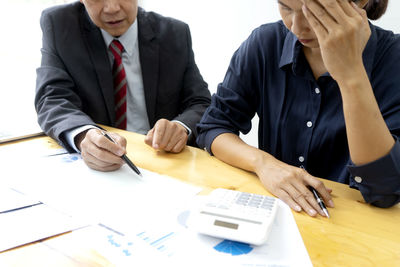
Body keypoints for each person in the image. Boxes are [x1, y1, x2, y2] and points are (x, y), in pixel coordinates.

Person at [197, 0, 400, 217]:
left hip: (359, 230)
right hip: (275, 215)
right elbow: (213, 127)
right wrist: (264, 164)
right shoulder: (266, 43)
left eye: (313, 12)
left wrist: (351, 76)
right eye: (285, 7)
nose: (296, 27)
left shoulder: (393, 59)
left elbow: (384, 191)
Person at [35, 0, 211, 172]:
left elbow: (201, 102)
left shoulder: (174, 34)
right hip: (100, 168)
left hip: (164, 162)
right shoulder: (60, 24)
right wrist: (84, 135)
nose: (112, 8)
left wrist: (181, 127)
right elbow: (52, 98)